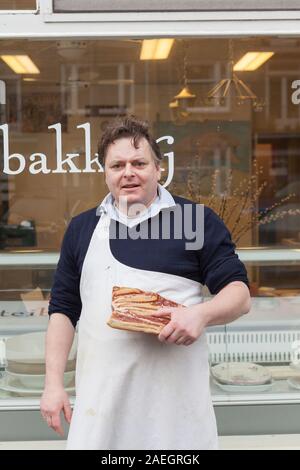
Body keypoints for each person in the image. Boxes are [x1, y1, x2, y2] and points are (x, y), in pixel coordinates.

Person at [40, 115, 251, 450]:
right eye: (117, 165)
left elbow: (239, 294)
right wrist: (53, 384)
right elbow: (63, 311)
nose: (128, 173)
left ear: (158, 168)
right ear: (104, 172)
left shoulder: (193, 220)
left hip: (174, 411)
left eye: (139, 163)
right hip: (101, 406)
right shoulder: (82, 229)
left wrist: (200, 314)